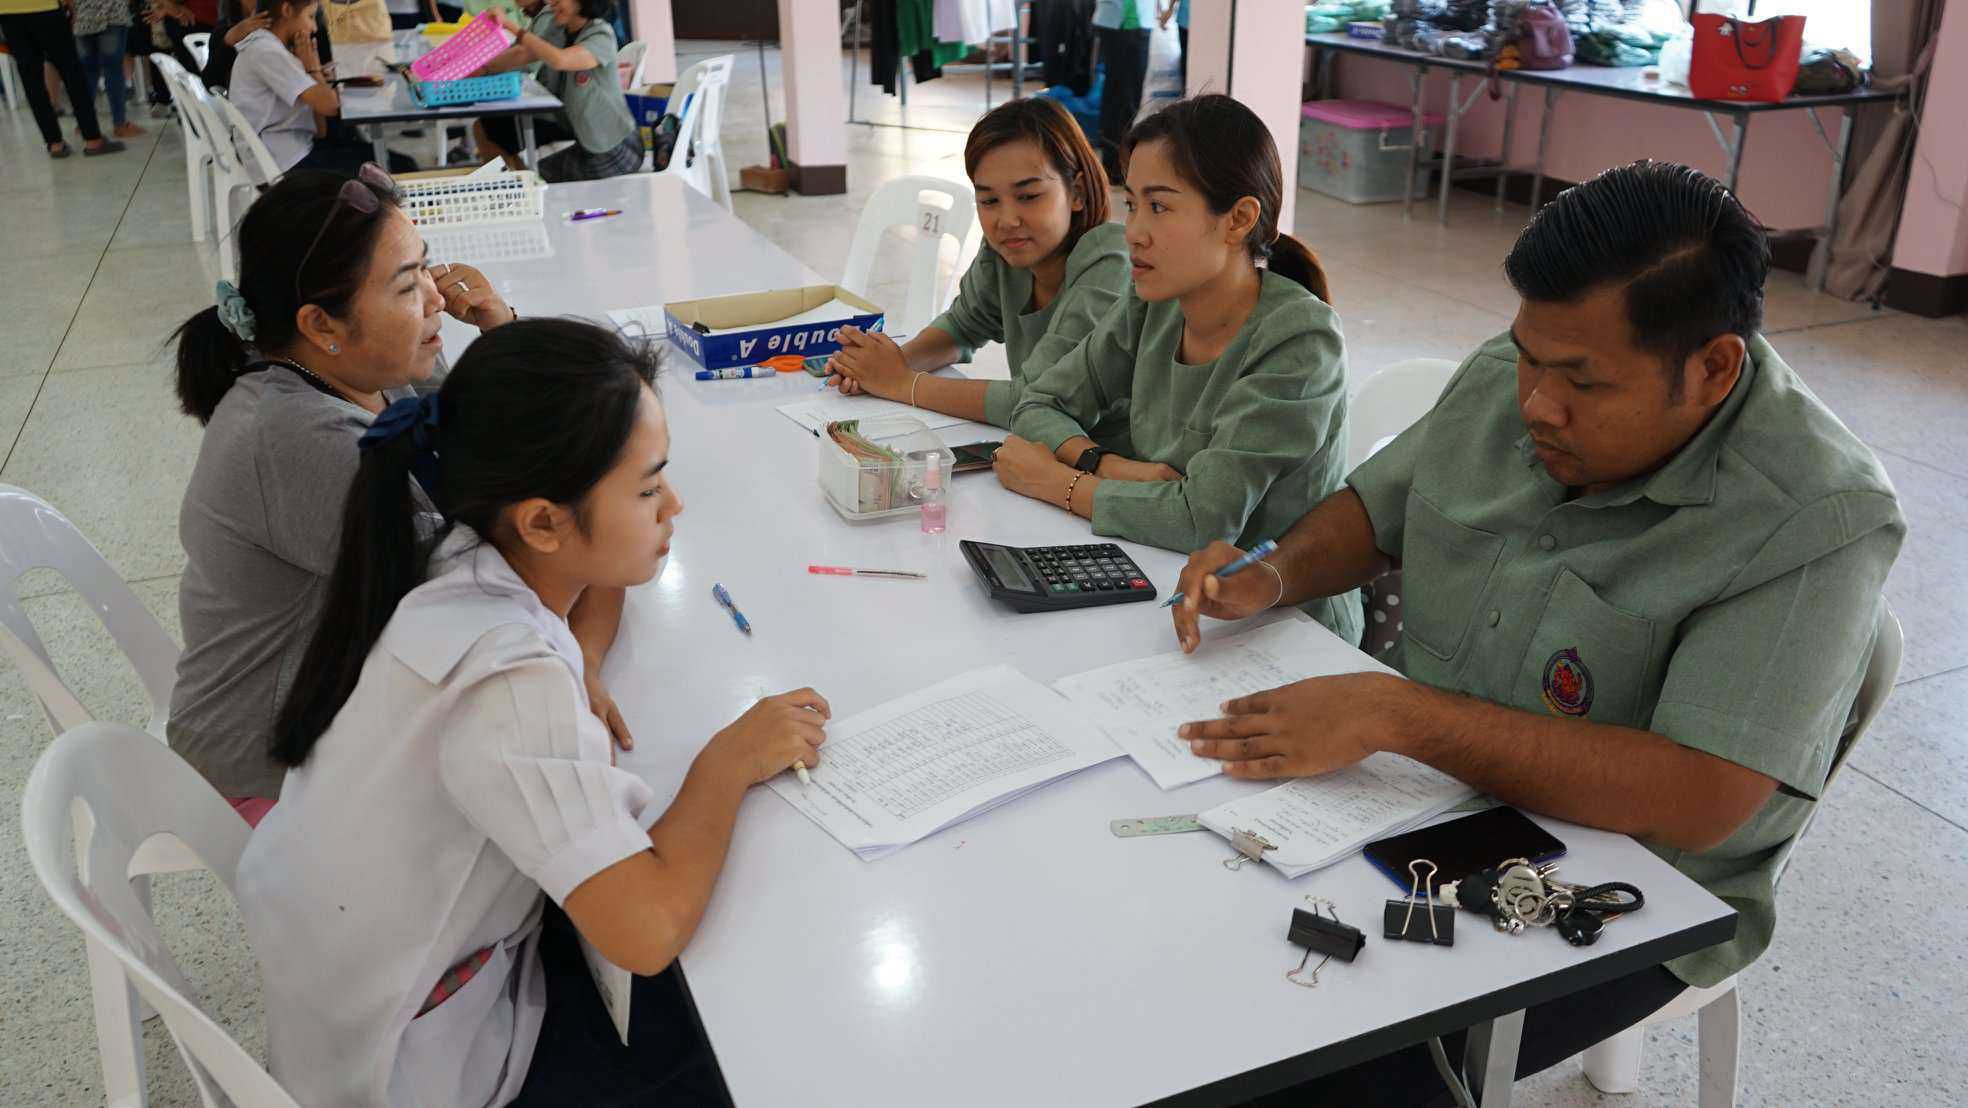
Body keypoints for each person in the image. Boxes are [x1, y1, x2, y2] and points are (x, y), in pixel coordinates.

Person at [1169, 161, 1905, 1103]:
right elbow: (1376, 511)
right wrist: (1271, 573)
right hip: (1415, 798)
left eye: (1584, 382)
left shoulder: (1815, 512)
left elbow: (1700, 795)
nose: (1536, 405)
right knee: (1189, 948)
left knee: (1316, 1066)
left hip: (1618, 886)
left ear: (1714, 369)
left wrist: (1401, 717)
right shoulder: (1514, 374)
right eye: (1529, 358)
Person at [235, 318, 828, 1106]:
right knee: (738, 1050)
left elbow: (596, 578)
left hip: (343, 988)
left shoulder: (457, 553)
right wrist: (727, 762)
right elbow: (645, 931)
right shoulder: (510, 680)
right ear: (544, 521)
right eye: (648, 488)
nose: (674, 505)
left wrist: (583, 659)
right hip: (415, 1066)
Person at [167, 166, 539, 824]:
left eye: (427, 266)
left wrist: (502, 332)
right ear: (321, 324)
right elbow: (476, 585)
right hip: (274, 763)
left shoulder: (368, 368)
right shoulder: (296, 437)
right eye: (407, 284)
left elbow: (482, 438)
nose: (438, 297)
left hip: (351, 697)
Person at [1002, 95, 1360, 646]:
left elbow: (1203, 519)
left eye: (1159, 207)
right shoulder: (1156, 302)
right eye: (1131, 204)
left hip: (1283, 627)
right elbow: (1038, 401)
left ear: (1238, 219)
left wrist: (1058, 482)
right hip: (1160, 574)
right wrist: (1105, 464)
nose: (1133, 231)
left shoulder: (1300, 341)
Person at [824, 96, 1129, 430]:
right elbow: (961, 327)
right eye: (989, 200)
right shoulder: (1007, 251)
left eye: (1028, 196)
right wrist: (884, 365)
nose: (1007, 220)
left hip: (1106, 456)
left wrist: (902, 383)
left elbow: (1037, 400)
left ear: (1078, 192)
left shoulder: (1111, 263)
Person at [227, 0, 411, 173]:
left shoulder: (275, 48)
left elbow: (321, 129)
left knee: (392, 162)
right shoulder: (266, 51)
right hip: (283, 164)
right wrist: (312, 70)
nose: (314, 27)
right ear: (287, 10)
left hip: (294, 152)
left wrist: (313, 74)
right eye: (310, 17)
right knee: (400, 167)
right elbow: (330, 106)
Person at [475, 0, 641, 183]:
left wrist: (510, 26)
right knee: (492, 127)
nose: (551, 3)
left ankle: (520, 189)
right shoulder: (559, 27)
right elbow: (524, 53)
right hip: (573, 125)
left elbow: (560, 60)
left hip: (613, 147)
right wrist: (479, 68)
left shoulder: (601, 36)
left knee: (537, 181)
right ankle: (515, 188)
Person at [0, 0, 126, 156]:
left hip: (7, 12)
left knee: (31, 79)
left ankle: (54, 144)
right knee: (72, 72)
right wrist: (72, 7)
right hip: (45, 8)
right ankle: (93, 139)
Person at [1090, 0, 1151, 180]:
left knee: (1132, 97)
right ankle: (1113, 163)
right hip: (1115, 24)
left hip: (1141, 23)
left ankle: (1124, 161)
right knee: (1116, 97)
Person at [70, 0, 146, 138]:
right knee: (113, 71)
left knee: (87, 74)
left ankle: (84, 125)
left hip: (83, 20)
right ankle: (120, 125)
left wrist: (76, 14)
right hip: (112, 17)